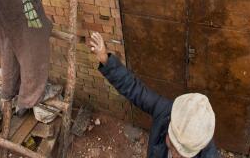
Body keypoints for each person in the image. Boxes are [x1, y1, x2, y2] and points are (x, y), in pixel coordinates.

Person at [89, 32, 219, 158]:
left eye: (182, 154)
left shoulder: (208, 152)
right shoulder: (165, 111)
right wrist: (105, 59)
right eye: (172, 144)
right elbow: (135, 90)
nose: (174, 155)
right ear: (171, 123)